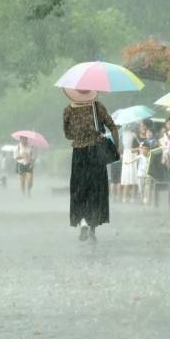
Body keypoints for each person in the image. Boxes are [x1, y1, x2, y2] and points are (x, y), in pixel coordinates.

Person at [63, 88, 119, 243]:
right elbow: (112, 127)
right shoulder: (97, 107)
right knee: (95, 190)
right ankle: (93, 229)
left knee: (80, 189)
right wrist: (117, 146)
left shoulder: (68, 110)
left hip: (79, 154)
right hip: (96, 154)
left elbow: (68, 135)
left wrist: (80, 132)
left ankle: (82, 224)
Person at [120, 124, 139, 203]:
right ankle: (132, 198)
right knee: (133, 177)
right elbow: (136, 146)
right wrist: (139, 147)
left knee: (126, 177)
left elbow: (121, 147)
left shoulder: (122, 135)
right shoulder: (134, 135)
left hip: (126, 154)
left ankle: (124, 197)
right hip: (132, 154)